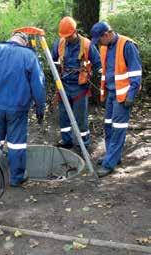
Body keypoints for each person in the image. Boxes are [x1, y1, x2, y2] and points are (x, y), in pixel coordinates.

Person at [0, 31, 46, 187]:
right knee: (16, 144)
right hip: (18, 109)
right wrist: (40, 108)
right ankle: (16, 178)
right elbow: (38, 85)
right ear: (24, 42)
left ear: (11, 38)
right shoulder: (29, 56)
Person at [90, 21, 142, 177]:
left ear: (106, 35)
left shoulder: (127, 45)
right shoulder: (105, 47)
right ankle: (112, 156)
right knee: (108, 126)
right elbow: (107, 71)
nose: (98, 43)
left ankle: (109, 164)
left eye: (99, 40)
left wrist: (131, 96)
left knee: (118, 129)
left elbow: (136, 74)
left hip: (123, 95)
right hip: (112, 93)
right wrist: (104, 91)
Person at [52, 16, 101, 150]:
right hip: (64, 86)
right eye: (64, 36)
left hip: (80, 87)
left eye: (68, 35)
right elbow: (52, 61)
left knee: (80, 118)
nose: (66, 38)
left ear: (75, 31)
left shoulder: (87, 45)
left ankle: (83, 143)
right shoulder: (59, 43)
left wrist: (98, 77)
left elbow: (98, 64)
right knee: (63, 116)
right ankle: (66, 140)